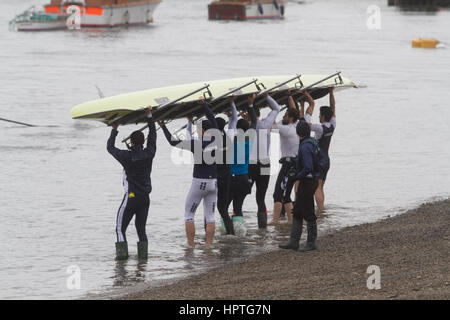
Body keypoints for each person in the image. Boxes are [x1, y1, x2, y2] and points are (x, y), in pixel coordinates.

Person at [158, 99, 219, 248]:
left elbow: (173, 142)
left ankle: (190, 245)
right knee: (210, 216)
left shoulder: (196, 144)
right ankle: (208, 246)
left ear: (203, 131)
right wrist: (204, 106)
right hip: (214, 183)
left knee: (189, 214)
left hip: (199, 183)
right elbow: (212, 119)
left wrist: (163, 126)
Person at [107, 107, 156, 261]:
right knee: (141, 230)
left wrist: (114, 129)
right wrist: (149, 115)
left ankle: (121, 262)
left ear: (131, 142)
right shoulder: (149, 154)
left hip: (131, 198)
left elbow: (110, 147)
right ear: (143, 142)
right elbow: (153, 136)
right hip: (145, 199)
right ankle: (143, 262)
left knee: (120, 229)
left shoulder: (126, 156)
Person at [279, 120, 319, 251]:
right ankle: (293, 241)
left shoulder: (305, 146)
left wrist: (296, 176)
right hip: (310, 180)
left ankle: (311, 242)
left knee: (307, 211)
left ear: (298, 133)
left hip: (307, 181)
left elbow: (308, 167)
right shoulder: (311, 142)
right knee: (297, 211)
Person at [225, 94, 257, 236]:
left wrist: (232, 107)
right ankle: (240, 233)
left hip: (233, 179)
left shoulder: (233, 142)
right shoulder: (249, 141)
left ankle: (228, 232)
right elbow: (254, 122)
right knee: (238, 206)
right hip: (245, 179)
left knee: (224, 206)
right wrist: (250, 105)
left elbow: (232, 126)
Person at [248, 94, 280, 228]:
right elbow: (276, 108)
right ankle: (263, 227)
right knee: (260, 197)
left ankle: (236, 224)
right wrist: (267, 96)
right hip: (266, 163)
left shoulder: (247, 127)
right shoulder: (266, 123)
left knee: (241, 194)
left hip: (252, 165)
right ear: (259, 113)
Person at [269, 94, 300, 225]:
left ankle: (274, 221)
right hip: (296, 165)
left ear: (291, 118)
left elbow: (269, 124)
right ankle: (290, 220)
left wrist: (272, 106)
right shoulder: (297, 125)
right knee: (286, 195)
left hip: (288, 166)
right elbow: (294, 110)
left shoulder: (286, 129)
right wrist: (289, 96)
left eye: (285, 115)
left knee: (277, 194)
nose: (283, 117)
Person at [304, 87, 336, 210]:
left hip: (319, 160)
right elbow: (333, 108)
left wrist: (307, 106)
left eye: (319, 114)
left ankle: (321, 210)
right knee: (321, 187)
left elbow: (306, 125)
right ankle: (321, 210)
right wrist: (331, 92)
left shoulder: (320, 128)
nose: (318, 116)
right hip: (326, 160)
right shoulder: (332, 125)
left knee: (316, 187)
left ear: (322, 116)